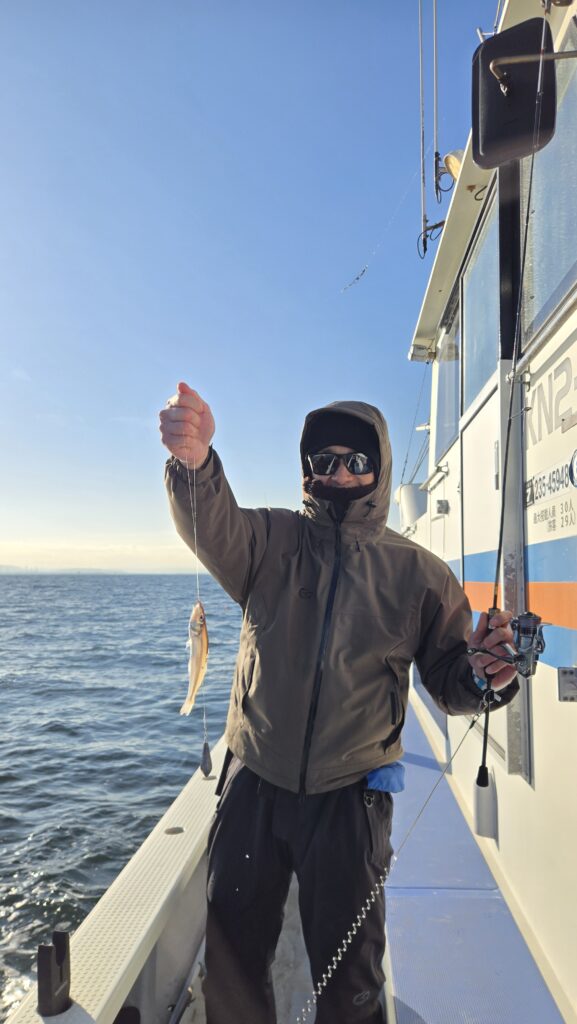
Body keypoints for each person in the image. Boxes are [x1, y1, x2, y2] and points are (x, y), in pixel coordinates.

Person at [159, 383, 519, 1024]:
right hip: (255, 781)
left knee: (351, 982)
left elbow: (451, 680)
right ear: (307, 470)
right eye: (323, 461)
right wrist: (196, 463)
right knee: (232, 965)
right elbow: (211, 523)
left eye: (356, 460)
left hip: (351, 799)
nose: (340, 473)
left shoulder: (420, 574)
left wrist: (487, 674)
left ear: (379, 466)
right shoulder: (269, 540)